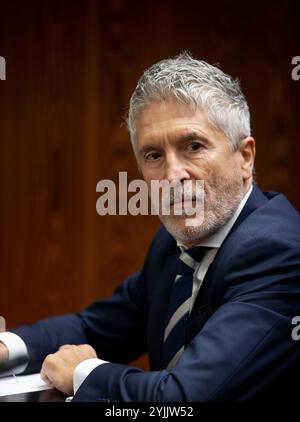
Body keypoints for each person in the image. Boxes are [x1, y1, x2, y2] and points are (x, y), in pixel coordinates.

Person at [1, 53, 300, 402]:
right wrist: (7, 347)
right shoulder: (172, 246)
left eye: (193, 146)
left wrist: (83, 372)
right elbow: (93, 328)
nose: (172, 175)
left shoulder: (280, 253)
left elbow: (184, 400)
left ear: (245, 157)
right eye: (154, 155)